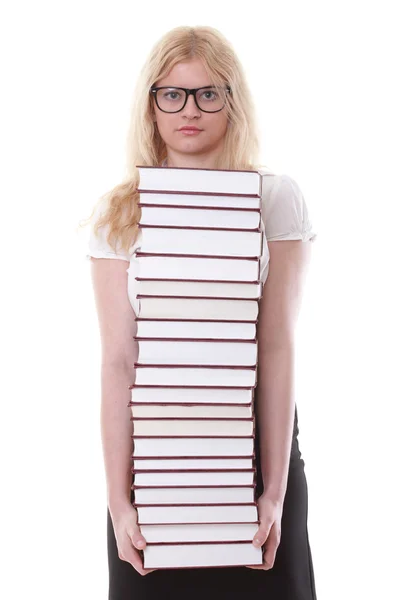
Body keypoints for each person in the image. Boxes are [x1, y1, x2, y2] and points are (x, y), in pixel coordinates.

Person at [86, 25, 318, 600]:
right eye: (172, 93)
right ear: (151, 104)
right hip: (155, 457)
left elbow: (278, 344)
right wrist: (119, 501)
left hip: (254, 445)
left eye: (209, 93)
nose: (190, 109)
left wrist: (274, 490)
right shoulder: (119, 213)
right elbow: (118, 360)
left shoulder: (274, 197)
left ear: (233, 101)